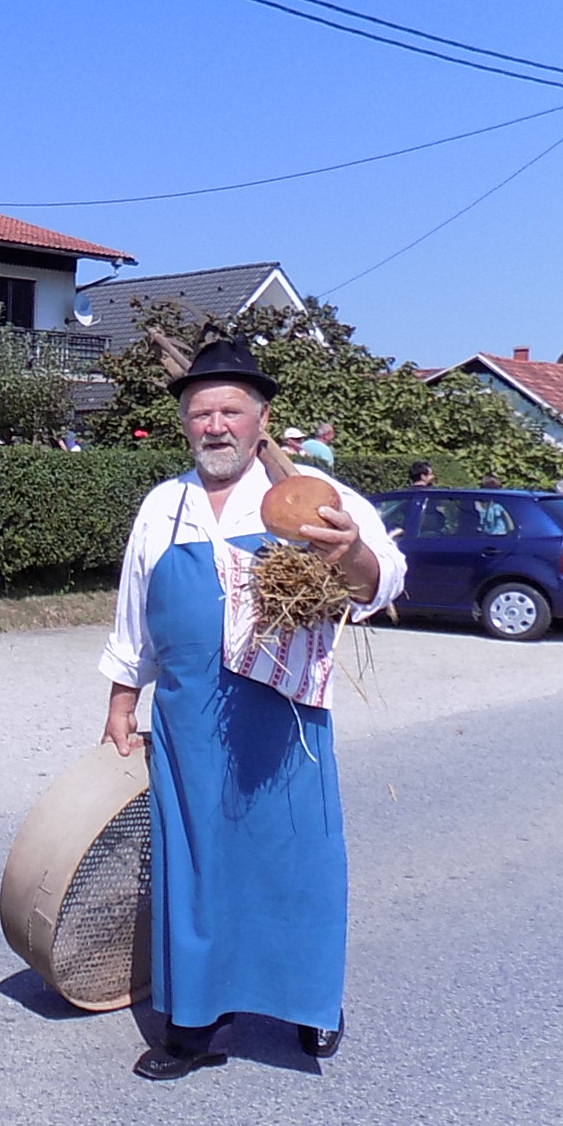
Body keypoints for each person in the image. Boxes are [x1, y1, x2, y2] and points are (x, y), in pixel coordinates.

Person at [99, 339, 404, 1080]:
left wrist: (351, 553)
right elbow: (135, 613)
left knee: (294, 859)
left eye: (231, 410)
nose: (215, 425)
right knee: (195, 866)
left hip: (284, 717)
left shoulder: (308, 492)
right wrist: (120, 696)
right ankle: (196, 1023)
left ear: (260, 419)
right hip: (189, 718)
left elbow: (383, 579)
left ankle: (310, 1007)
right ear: (184, 424)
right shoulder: (161, 506)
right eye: (200, 412)